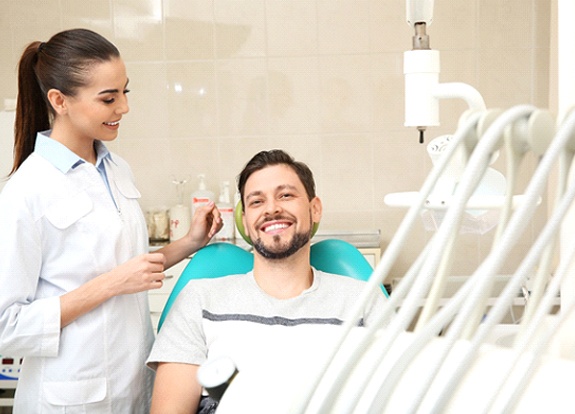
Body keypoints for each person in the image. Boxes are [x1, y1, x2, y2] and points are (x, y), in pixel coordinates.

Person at [0, 28, 221, 413]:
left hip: (134, 386)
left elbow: (130, 268)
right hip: (70, 399)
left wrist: (189, 242)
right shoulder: (26, 192)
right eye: (108, 98)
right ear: (59, 100)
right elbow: (7, 326)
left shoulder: (116, 169)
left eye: (125, 92)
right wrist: (109, 285)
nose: (123, 108)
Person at [147, 149, 387, 414]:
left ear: (314, 209)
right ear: (246, 222)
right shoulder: (200, 300)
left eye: (286, 195)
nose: (272, 209)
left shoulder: (362, 301)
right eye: (257, 202)